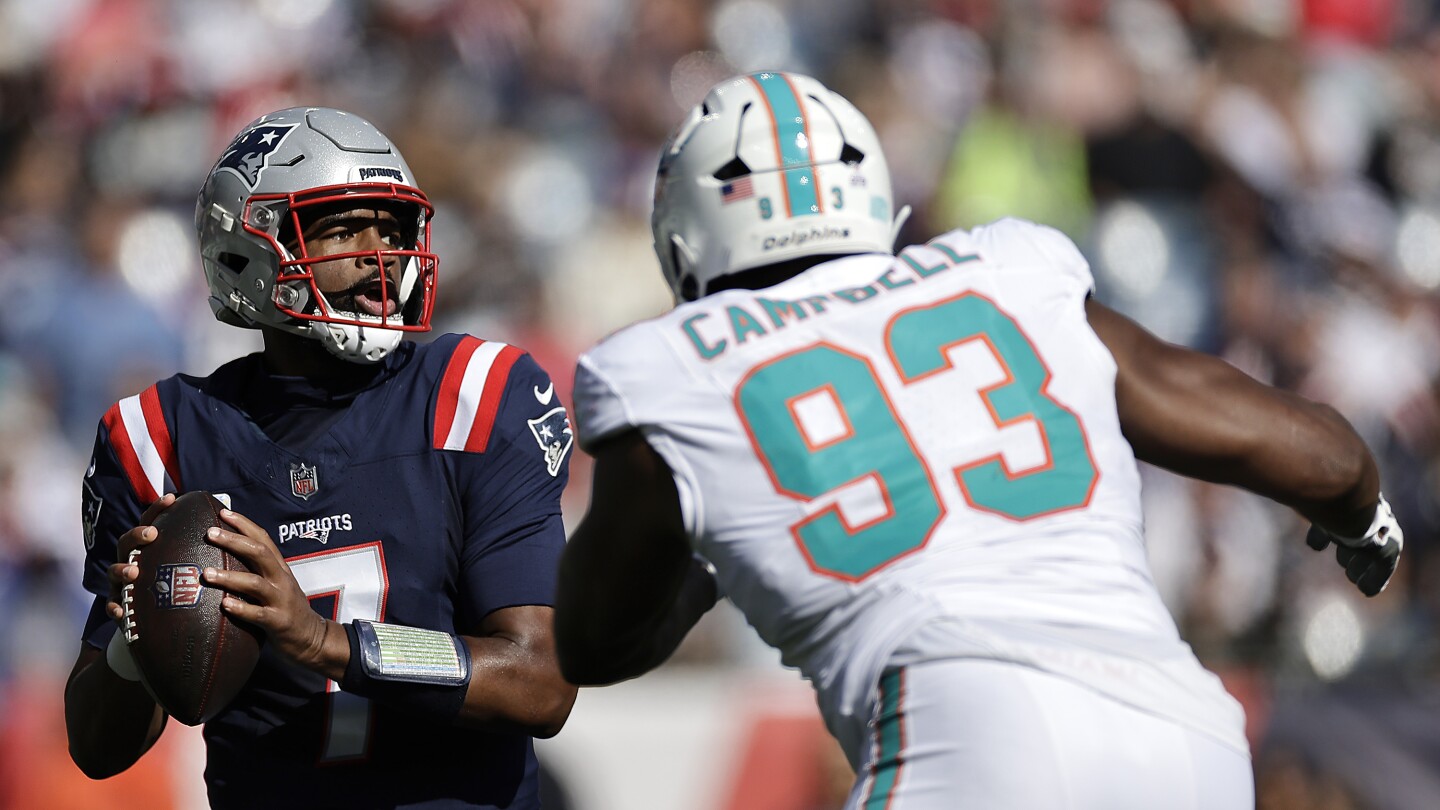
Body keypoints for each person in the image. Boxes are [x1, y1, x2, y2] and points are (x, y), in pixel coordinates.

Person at [553, 72, 1403, 809]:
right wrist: (1361, 510)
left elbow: (593, 641)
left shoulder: (670, 369)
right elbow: (1321, 456)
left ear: (682, 235)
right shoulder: (1005, 274)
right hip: (1188, 740)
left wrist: (714, 557)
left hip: (966, 730)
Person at [64, 107, 578, 809]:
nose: (380, 255)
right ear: (248, 253)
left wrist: (327, 641)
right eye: (342, 230)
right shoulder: (161, 436)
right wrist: (138, 636)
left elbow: (541, 681)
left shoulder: (475, 397)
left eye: (392, 230)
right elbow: (96, 747)